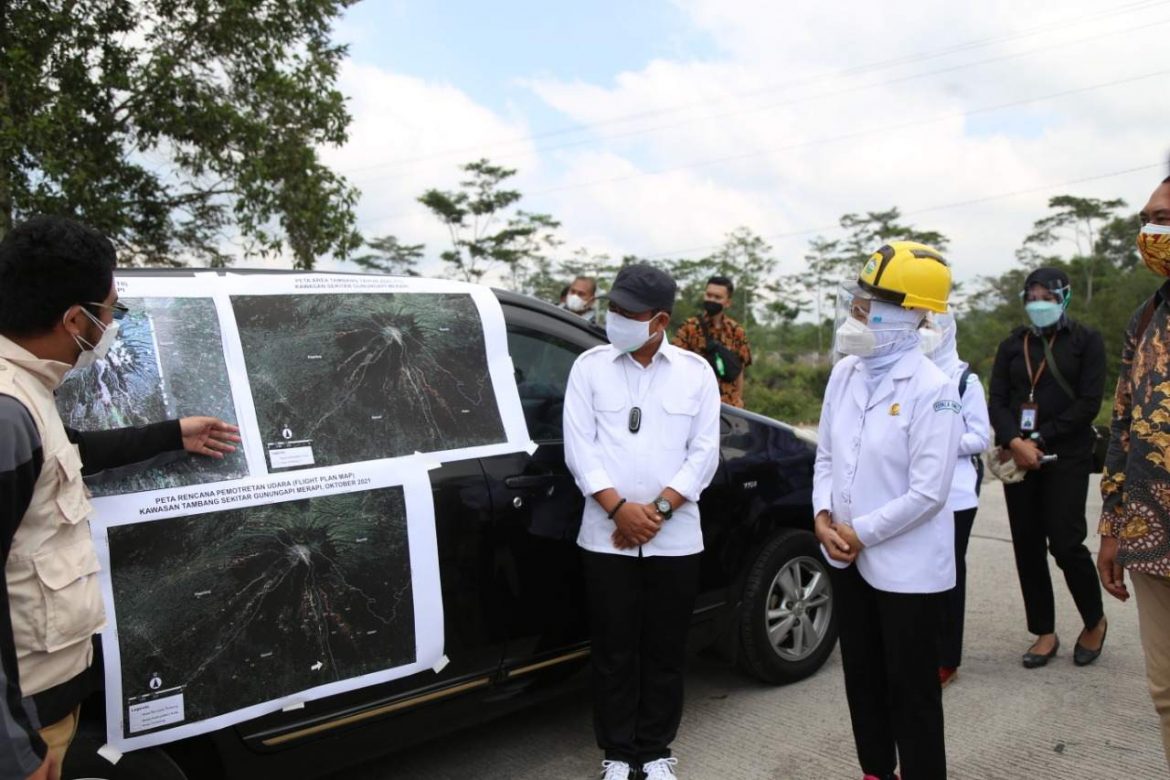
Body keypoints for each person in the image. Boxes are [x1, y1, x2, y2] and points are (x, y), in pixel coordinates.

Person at [0, 216, 241, 780]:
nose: (112, 323)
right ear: (75, 320)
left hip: (47, 704)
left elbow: (61, 452)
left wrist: (169, 434)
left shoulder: (26, 391)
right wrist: (14, 752)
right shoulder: (7, 411)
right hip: (27, 720)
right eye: (112, 311)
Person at [563, 263, 720, 780]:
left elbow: (704, 455)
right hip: (606, 537)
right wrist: (618, 508)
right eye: (612, 308)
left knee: (665, 649)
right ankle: (616, 753)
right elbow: (579, 448)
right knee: (612, 649)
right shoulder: (589, 367)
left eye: (628, 313)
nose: (616, 320)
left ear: (659, 321)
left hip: (673, 538)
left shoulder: (696, 374)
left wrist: (657, 511)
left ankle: (654, 752)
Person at [815, 241, 960, 780]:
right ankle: (875, 769)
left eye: (872, 300)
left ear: (913, 312)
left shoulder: (934, 390)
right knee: (863, 681)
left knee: (912, 692)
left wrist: (858, 533)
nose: (859, 308)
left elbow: (928, 493)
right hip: (847, 557)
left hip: (905, 571)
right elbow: (826, 455)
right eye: (860, 296)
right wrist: (822, 519)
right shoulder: (845, 374)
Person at [987, 267, 1107, 669]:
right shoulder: (1012, 345)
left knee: (1066, 542)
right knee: (1027, 544)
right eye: (1032, 296)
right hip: (1019, 459)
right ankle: (1044, 631)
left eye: (1047, 296)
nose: (1039, 303)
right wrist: (1014, 441)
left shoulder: (1086, 341)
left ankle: (1094, 619)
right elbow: (998, 400)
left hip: (1066, 455)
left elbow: (1089, 402)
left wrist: (1040, 439)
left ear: (1065, 298)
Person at [1097, 174, 1170, 767]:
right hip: (1153, 539)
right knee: (1167, 694)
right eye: (1148, 219)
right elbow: (1121, 429)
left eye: (1165, 217)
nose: (1151, 231)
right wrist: (1111, 529)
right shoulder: (1145, 317)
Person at [920, 313, 991, 688]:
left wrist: (939, 444)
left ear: (949, 332)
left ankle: (948, 658)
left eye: (934, 327)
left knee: (950, 574)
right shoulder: (913, 374)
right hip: (919, 492)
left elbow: (980, 437)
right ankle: (922, 649)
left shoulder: (966, 381)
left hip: (957, 494)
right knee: (922, 571)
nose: (927, 334)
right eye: (922, 327)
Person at [671, 275, 752, 408]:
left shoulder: (736, 331)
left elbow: (739, 371)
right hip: (696, 401)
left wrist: (739, 401)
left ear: (727, 302)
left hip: (728, 404)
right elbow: (675, 363)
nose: (712, 300)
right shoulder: (690, 327)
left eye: (717, 297)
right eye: (709, 295)